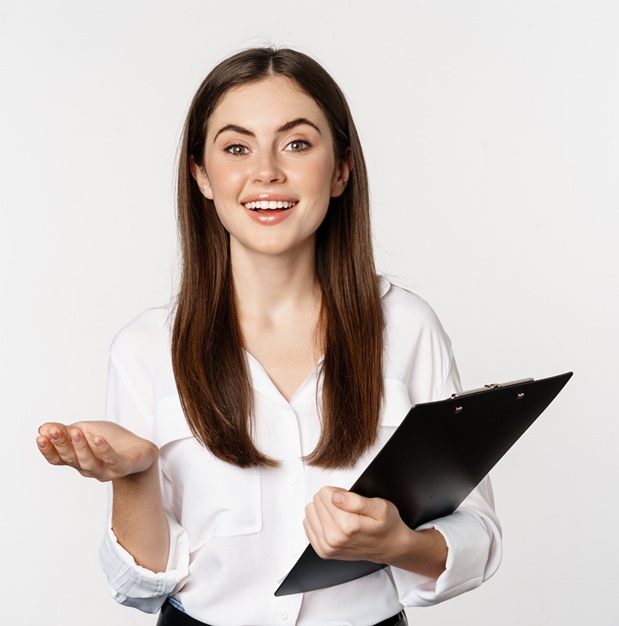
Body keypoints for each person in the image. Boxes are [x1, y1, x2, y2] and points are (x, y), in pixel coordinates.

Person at [36, 47, 501, 626]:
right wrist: (136, 474)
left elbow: (476, 532)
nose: (266, 172)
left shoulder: (406, 327)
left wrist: (397, 546)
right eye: (236, 148)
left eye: (297, 144)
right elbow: (140, 585)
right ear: (201, 176)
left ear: (340, 170)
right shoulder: (144, 347)